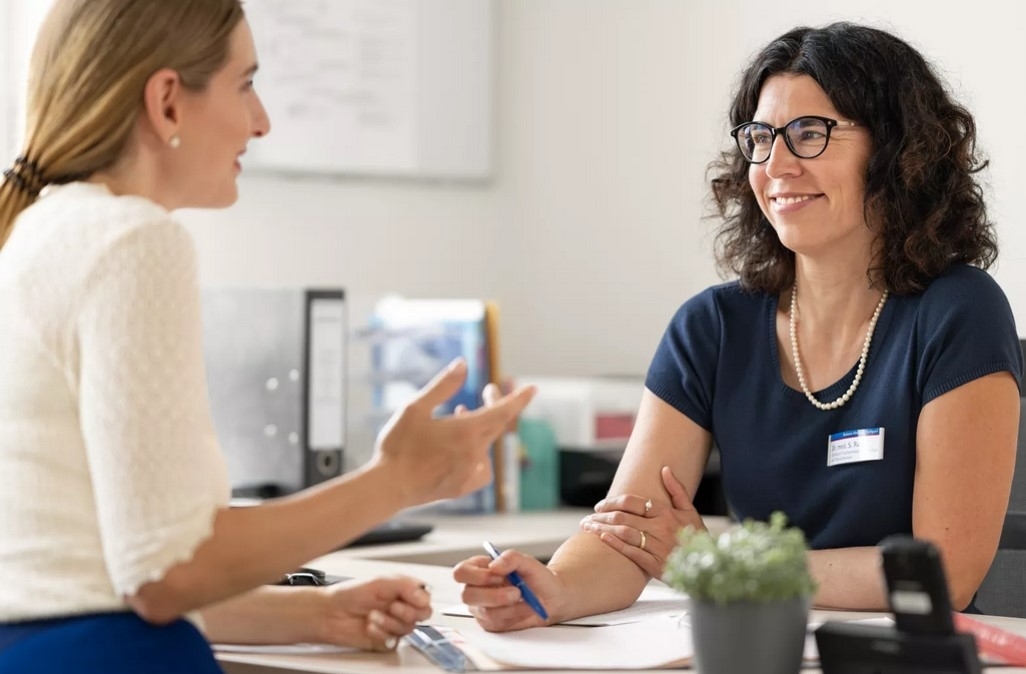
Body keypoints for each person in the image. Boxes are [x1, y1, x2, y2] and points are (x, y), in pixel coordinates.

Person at [0, 0, 535, 671]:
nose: (262, 121)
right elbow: (167, 573)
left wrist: (314, 614)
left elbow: (106, 571)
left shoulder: (36, 235)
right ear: (168, 101)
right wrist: (395, 479)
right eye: (245, 84)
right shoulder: (132, 243)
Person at [455, 21, 1022, 631]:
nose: (775, 164)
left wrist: (719, 562)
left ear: (897, 150)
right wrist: (552, 589)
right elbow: (630, 535)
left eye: (810, 133)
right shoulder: (711, 327)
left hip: (906, 656)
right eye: (761, 136)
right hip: (757, 646)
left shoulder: (960, 311)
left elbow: (943, 572)